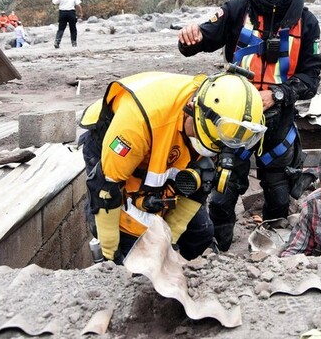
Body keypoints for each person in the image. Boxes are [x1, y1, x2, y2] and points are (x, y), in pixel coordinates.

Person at [178, 0, 321, 251]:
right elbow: (198, 41)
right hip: (234, 124)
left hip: (278, 126)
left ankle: (270, 253)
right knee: (221, 196)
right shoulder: (236, 10)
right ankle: (218, 256)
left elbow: (311, 79)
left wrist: (279, 94)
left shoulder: (307, 23)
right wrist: (189, 38)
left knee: (279, 196)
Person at [78, 71, 267, 262]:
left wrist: (170, 241)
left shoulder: (221, 123)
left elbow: (200, 184)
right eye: (204, 140)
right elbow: (105, 190)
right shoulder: (135, 125)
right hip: (119, 150)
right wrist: (111, 257)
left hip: (169, 147)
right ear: (194, 110)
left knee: (200, 235)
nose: (212, 152)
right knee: (133, 243)